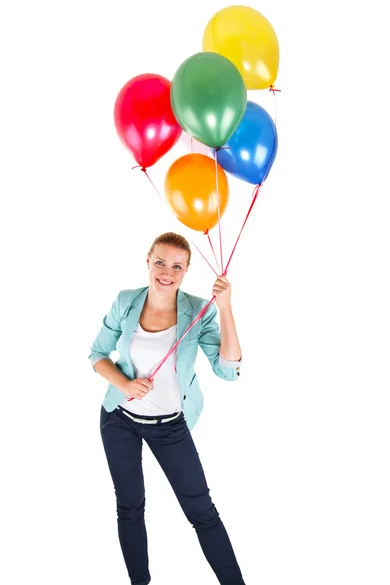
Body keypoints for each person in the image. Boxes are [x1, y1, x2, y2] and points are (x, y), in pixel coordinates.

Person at [89, 231, 245, 585]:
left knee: (202, 512)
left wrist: (225, 309)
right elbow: (97, 355)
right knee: (130, 507)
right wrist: (125, 384)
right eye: (160, 262)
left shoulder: (197, 311)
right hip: (119, 420)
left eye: (177, 266)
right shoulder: (126, 301)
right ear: (148, 262)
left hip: (170, 425)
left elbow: (228, 369)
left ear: (187, 270)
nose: (167, 272)